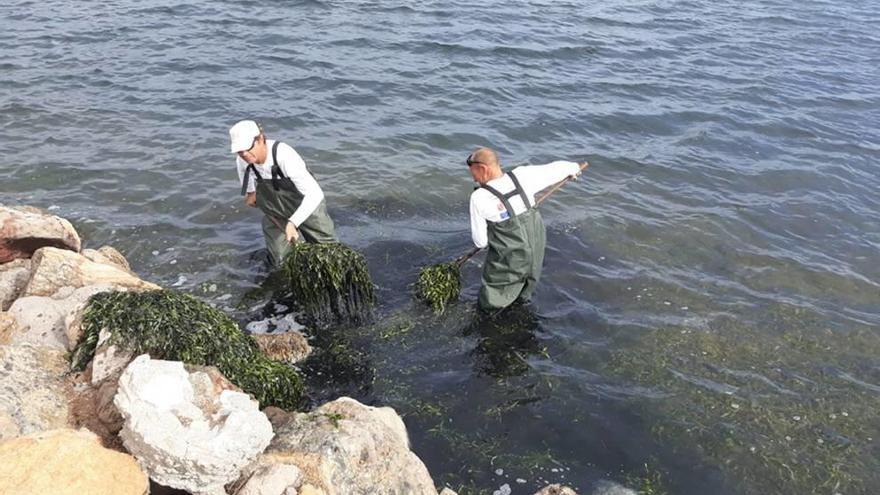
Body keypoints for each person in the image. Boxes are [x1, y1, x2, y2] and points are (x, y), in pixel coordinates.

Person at [467, 147, 584, 311]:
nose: (474, 179)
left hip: (511, 255)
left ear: (483, 169)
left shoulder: (479, 198)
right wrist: (574, 169)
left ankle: (491, 315)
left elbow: (480, 242)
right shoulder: (523, 175)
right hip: (536, 245)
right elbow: (562, 167)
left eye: (473, 174)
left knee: (493, 297)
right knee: (527, 284)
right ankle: (521, 305)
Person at [230, 120, 337, 266]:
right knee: (280, 260)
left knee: (329, 253)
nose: (244, 154)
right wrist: (251, 192)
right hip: (276, 210)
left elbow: (315, 194)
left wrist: (293, 223)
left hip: (307, 204)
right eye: (239, 151)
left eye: (247, 148)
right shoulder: (243, 159)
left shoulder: (284, 155)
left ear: (261, 139)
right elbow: (244, 172)